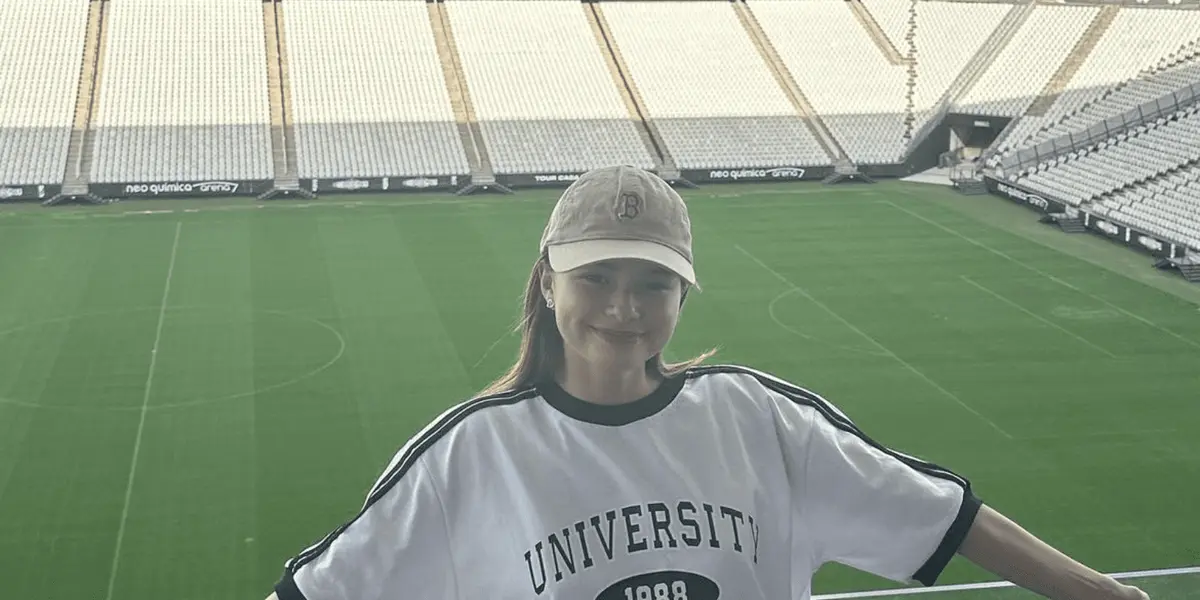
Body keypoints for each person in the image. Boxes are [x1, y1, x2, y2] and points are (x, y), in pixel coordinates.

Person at [266, 165, 1149, 600]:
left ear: (683, 294)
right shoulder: (471, 455)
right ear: (547, 282)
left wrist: (1113, 599)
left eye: (653, 282)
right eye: (597, 277)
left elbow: (952, 519)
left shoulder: (758, 422)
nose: (623, 308)